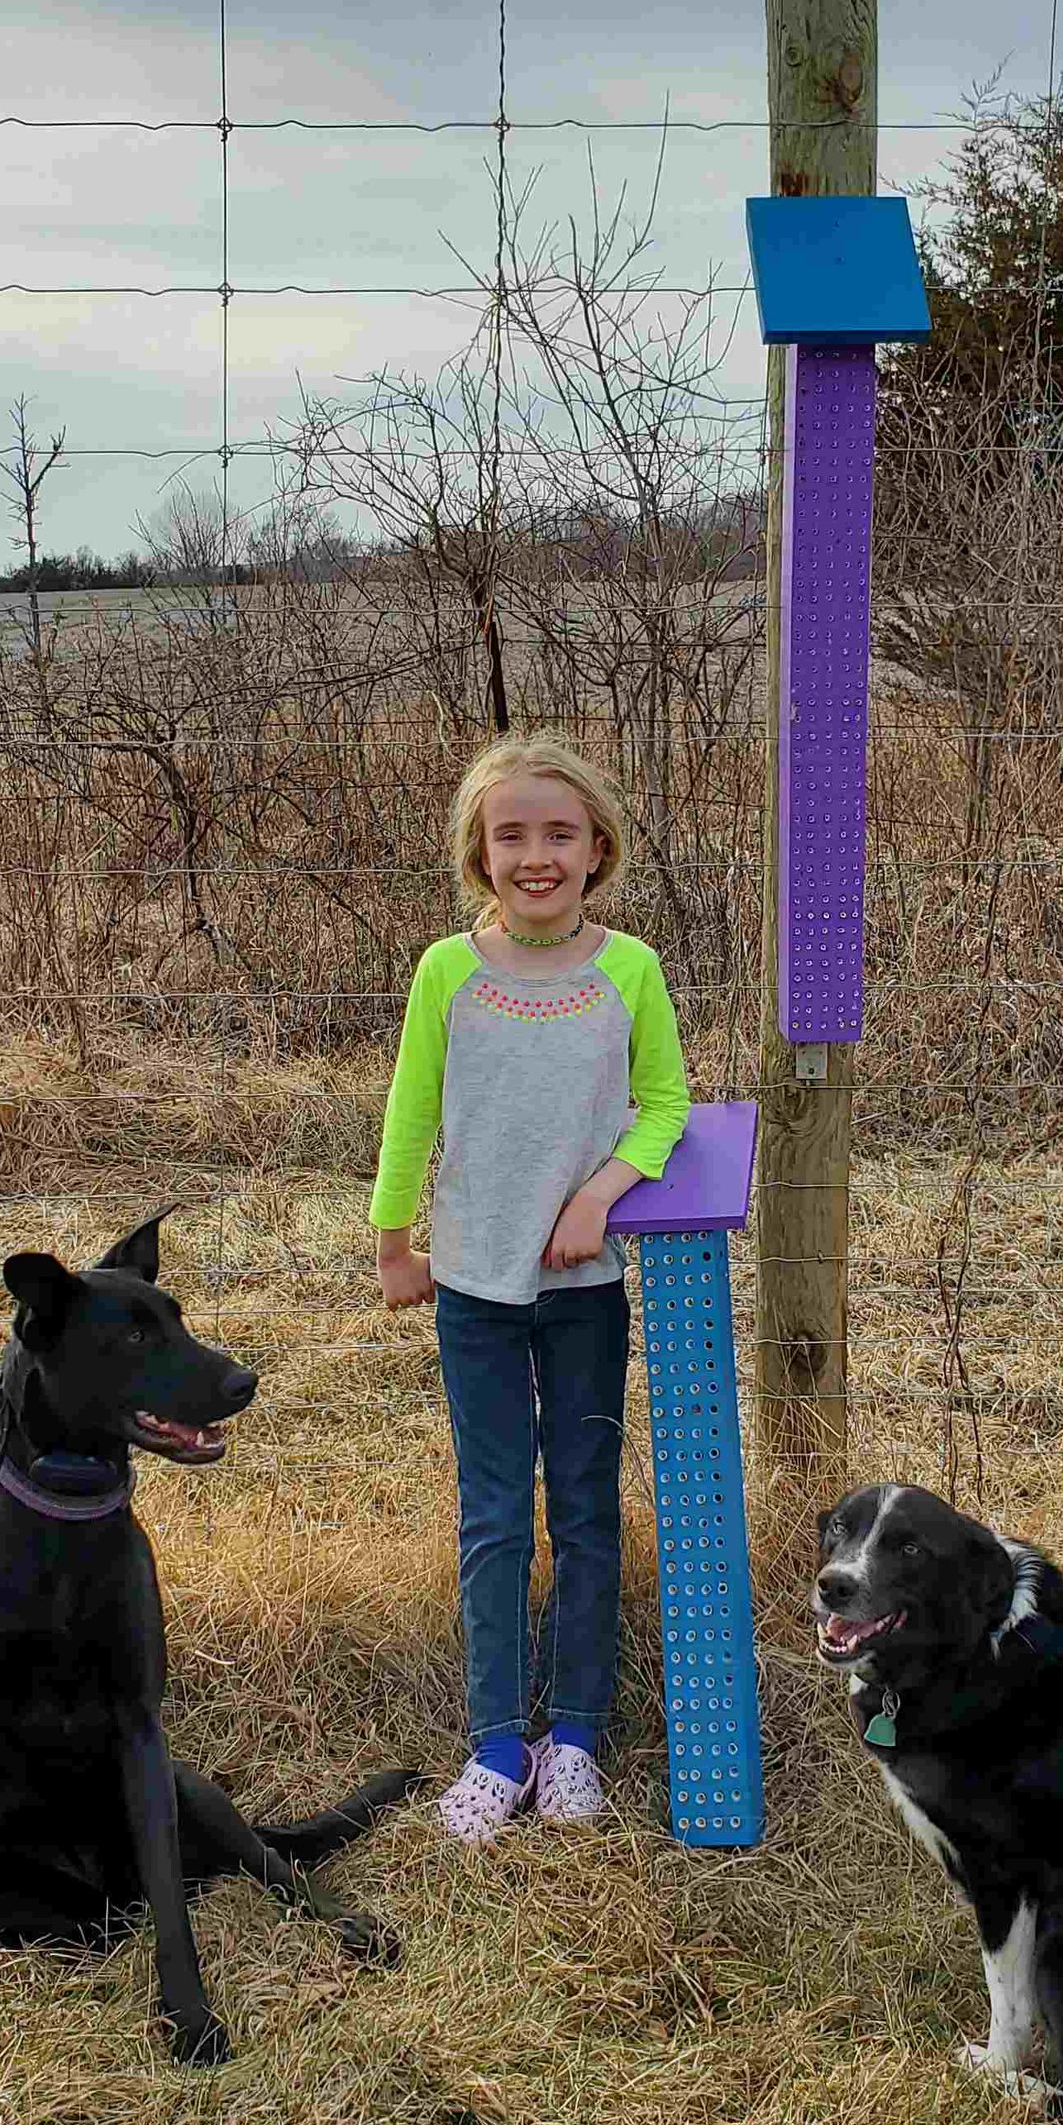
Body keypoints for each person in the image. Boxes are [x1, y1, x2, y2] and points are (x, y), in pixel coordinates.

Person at [370, 735, 690, 1841]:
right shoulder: (447, 973)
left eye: (559, 834)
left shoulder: (629, 970)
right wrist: (391, 1243)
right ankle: (499, 1744)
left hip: (586, 1289)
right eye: (512, 835)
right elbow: (412, 1112)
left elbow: (663, 1108)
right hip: (471, 1286)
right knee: (497, 1514)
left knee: (586, 1507)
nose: (536, 855)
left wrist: (599, 1195)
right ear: (479, 853)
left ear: (596, 847)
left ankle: (578, 1741)